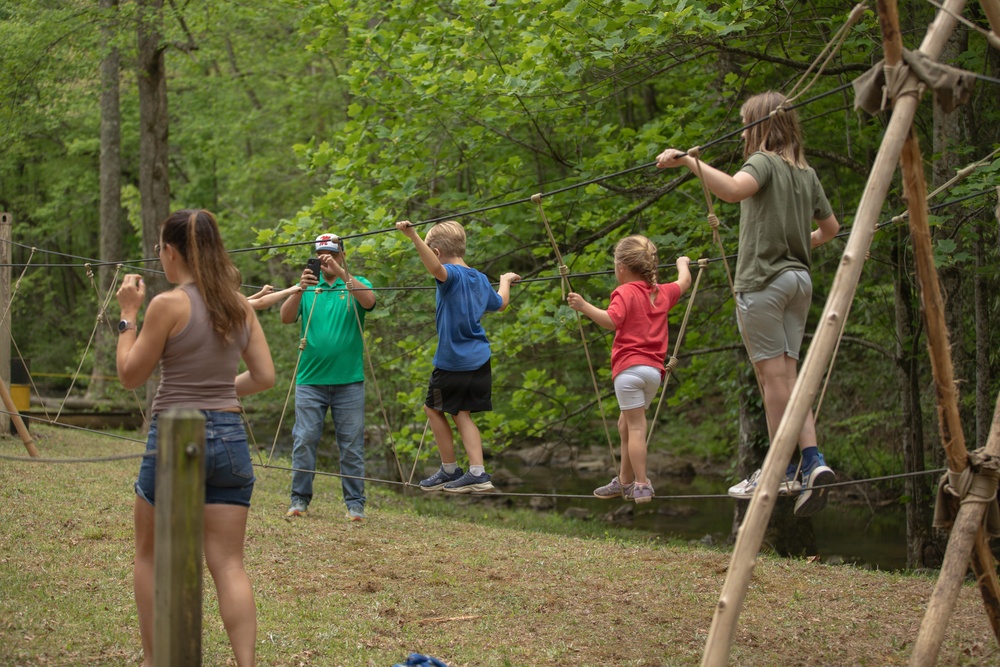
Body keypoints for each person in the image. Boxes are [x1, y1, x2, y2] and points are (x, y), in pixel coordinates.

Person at [655, 90, 841, 516]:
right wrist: (800, 242)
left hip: (764, 282)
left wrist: (689, 162)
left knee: (771, 378)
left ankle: (777, 468)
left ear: (757, 126)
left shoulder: (764, 162)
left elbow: (735, 191)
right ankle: (811, 461)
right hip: (799, 281)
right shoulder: (806, 173)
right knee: (789, 378)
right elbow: (830, 229)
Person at [115, 209, 275, 667]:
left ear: (170, 252)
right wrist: (222, 392)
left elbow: (130, 375)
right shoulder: (238, 304)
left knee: (149, 554)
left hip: (173, 434)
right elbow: (264, 376)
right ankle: (246, 663)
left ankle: (154, 659)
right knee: (228, 563)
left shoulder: (168, 304)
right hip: (228, 436)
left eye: (159, 250)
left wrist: (128, 316)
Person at [395, 219, 520, 493]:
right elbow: (501, 304)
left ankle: (449, 469)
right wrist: (506, 280)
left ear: (437, 251)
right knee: (462, 414)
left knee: (432, 408)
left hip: (454, 362)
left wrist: (413, 235)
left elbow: (434, 267)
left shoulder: (449, 275)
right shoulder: (479, 278)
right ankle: (478, 471)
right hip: (480, 359)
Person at [567, 237, 691, 503]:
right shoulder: (662, 292)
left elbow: (612, 321)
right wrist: (683, 264)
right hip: (653, 374)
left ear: (621, 267)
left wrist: (584, 306)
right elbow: (685, 282)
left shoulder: (624, 292)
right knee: (626, 423)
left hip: (629, 370)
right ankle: (623, 482)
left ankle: (642, 484)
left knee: (635, 427)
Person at [281, 233, 376, 521]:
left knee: (351, 444)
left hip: (349, 381)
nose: (326, 260)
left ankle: (355, 505)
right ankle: (299, 501)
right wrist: (298, 289)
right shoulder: (309, 287)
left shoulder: (355, 283)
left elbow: (370, 302)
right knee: (305, 438)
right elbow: (286, 318)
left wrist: (342, 273)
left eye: (332, 254)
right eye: (321, 254)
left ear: (342, 254)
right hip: (310, 380)